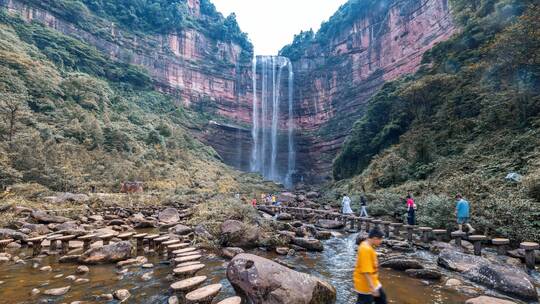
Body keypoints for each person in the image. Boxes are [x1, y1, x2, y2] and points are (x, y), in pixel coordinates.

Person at [353, 228, 387, 304]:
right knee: (366, 301)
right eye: (380, 239)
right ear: (375, 238)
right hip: (365, 285)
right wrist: (372, 288)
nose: (381, 242)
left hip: (374, 281)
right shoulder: (365, 249)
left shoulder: (367, 244)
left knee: (382, 299)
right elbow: (366, 271)